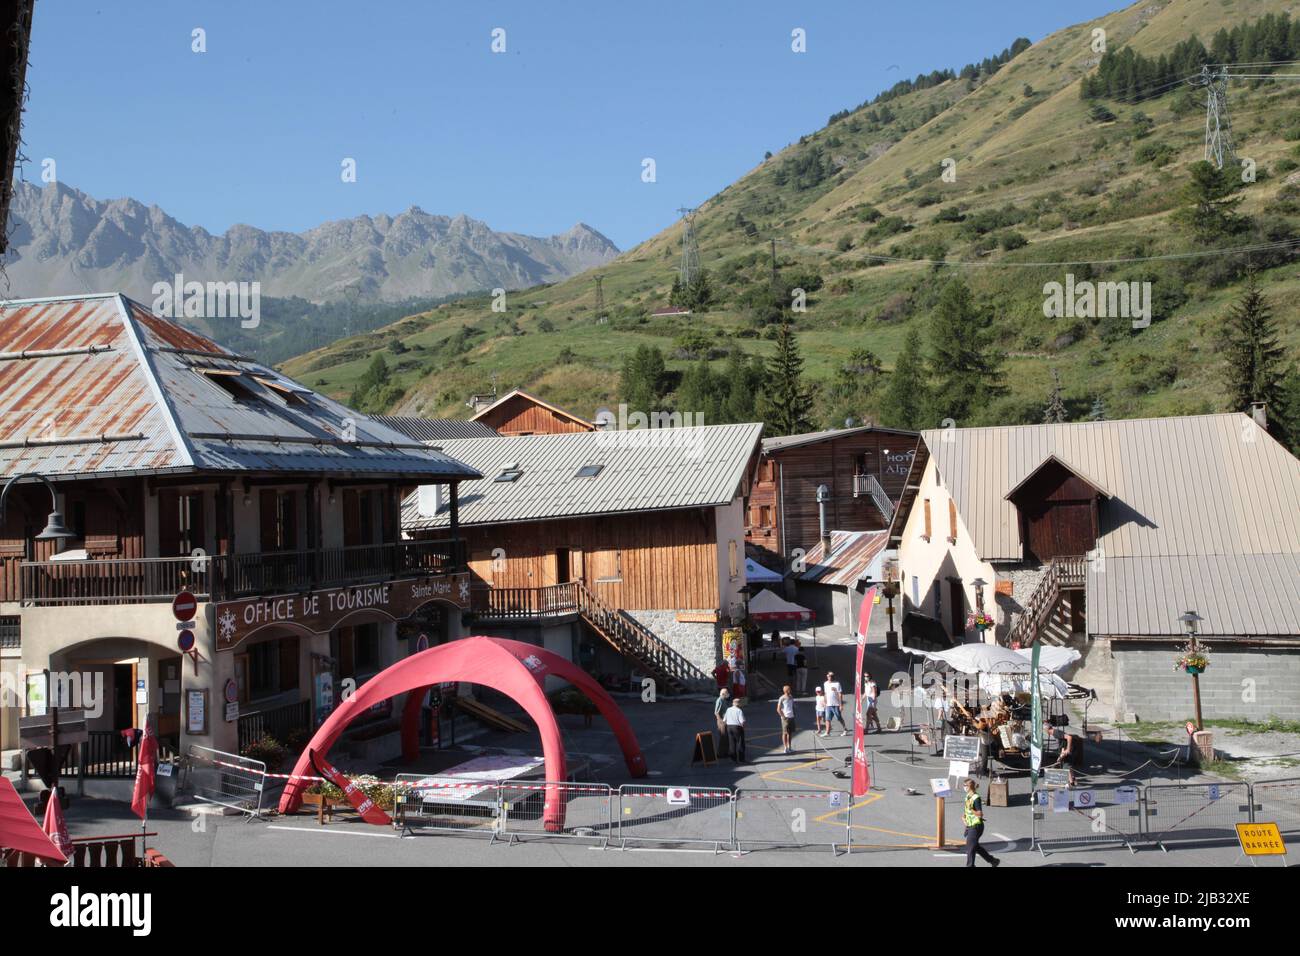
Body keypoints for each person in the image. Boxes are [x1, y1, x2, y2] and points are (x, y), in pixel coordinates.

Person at [962, 778, 1000, 867]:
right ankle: (993, 860)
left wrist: (971, 810)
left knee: (970, 848)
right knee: (975, 846)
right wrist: (964, 817)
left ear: (969, 787)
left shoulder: (976, 798)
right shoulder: (967, 796)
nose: (964, 787)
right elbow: (966, 809)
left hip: (976, 826)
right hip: (970, 825)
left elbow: (980, 814)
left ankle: (970, 865)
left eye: (965, 786)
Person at [822, 671, 848, 736]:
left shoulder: (837, 683)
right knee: (827, 718)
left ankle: (845, 729)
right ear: (827, 676)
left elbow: (840, 694)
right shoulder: (825, 684)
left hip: (836, 704)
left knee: (839, 718)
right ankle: (827, 732)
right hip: (828, 704)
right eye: (829, 676)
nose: (830, 677)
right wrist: (825, 702)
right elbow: (825, 693)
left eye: (832, 676)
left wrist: (841, 704)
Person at [724, 696, 747, 763]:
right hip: (737, 727)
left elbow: (724, 719)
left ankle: (733, 759)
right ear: (738, 704)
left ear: (733, 703)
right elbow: (742, 721)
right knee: (740, 743)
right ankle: (741, 759)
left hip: (729, 727)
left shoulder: (728, 709)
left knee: (732, 743)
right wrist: (743, 728)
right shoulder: (739, 710)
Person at [776, 684, 797, 754]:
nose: (790, 690)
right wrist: (783, 716)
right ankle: (785, 748)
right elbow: (778, 709)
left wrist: (794, 713)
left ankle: (789, 747)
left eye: (790, 689)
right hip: (785, 718)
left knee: (790, 733)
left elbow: (793, 706)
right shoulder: (782, 698)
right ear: (785, 691)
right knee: (785, 733)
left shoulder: (791, 697)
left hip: (791, 717)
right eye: (789, 689)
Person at [714, 688, 731, 757]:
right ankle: (720, 754)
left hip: (725, 721)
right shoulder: (719, 700)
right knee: (723, 738)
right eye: (727, 693)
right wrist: (721, 722)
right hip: (722, 722)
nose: (728, 694)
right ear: (723, 694)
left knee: (726, 738)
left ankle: (725, 752)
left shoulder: (723, 700)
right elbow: (716, 713)